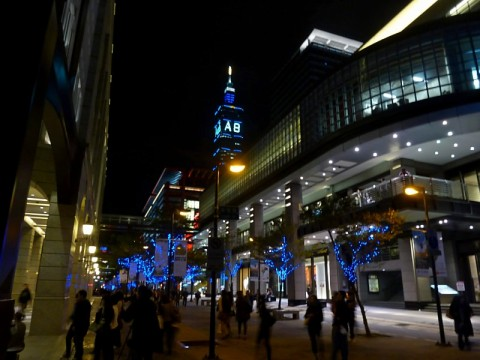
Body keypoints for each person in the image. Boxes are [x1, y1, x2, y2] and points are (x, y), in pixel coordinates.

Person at [122, 285, 162, 359]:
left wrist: (122, 311)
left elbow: (127, 318)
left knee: (137, 354)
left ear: (140, 293)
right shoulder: (151, 304)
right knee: (148, 355)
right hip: (150, 334)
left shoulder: (137, 303)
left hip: (139, 334)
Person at [62, 289, 92, 360]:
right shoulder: (85, 303)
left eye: (78, 295)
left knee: (77, 340)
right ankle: (75, 354)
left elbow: (79, 316)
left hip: (79, 325)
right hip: (81, 325)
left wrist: (75, 325)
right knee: (75, 339)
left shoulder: (81, 304)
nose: (76, 297)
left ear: (81, 296)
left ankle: (76, 355)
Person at [93, 292, 115, 360]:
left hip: (103, 331)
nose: (101, 301)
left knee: (100, 348)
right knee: (105, 349)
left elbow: (103, 320)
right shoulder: (108, 309)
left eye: (103, 300)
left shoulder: (106, 309)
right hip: (105, 330)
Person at [304, 294, 324, 360]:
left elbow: (320, 317)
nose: (311, 300)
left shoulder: (318, 306)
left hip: (316, 325)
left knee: (316, 338)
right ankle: (315, 352)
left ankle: (318, 351)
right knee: (313, 339)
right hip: (311, 325)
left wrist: (313, 316)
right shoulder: (310, 307)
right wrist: (309, 316)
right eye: (310, 299)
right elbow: (306, 315)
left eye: (312, 299)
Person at [256, 295, 275, 360]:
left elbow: (269, 319)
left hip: (264, 328)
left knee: (265, 343)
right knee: (265, 343)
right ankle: (266, 356)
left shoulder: (263, 310)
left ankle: (266, 356)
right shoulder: (263, 309)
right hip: (265, 328)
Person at [331, 291, 349, 360]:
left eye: (338, 295)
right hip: (341, 326)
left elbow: (340, 315)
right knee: (342, 345)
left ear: (341, 296)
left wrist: (338, 319)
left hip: (339, 326)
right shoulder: (341, 303)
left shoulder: (341, 304)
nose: (337, 296)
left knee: (338, 345)